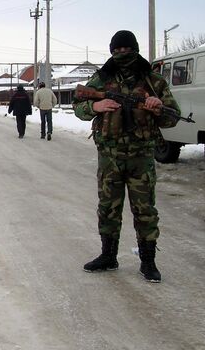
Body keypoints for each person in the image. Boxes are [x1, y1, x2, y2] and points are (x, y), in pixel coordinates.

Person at [72, 30, 180, 283]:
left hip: (141, 157)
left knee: (145, 211)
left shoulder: (153, 80)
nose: (121, 54)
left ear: (135, 49)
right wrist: (94, 106)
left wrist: (157, 107)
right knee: (108, 208)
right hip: (109, 157)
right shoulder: (101, 78)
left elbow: (173, 117)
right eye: (116, 50)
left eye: (126, 50)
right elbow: (78, 106)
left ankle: (148, 262)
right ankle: (108, 256)